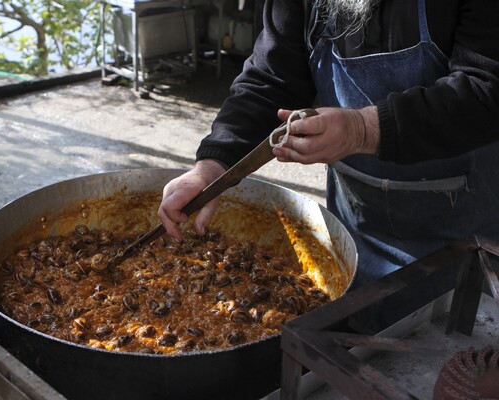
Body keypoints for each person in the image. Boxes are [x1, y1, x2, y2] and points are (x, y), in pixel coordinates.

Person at [157, 0, 499, 330]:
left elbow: (487, 88)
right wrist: (213, 166)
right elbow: (271, 79)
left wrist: (362, 129)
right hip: (354, 233)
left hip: (465, 245)